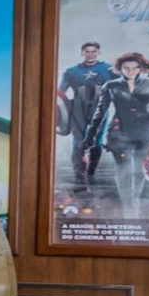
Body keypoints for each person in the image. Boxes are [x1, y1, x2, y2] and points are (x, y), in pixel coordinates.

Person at [83, 52, 149, 218]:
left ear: (140, 68)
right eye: (127, 68)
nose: (131, 71)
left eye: (134, 68)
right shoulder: (111, 86)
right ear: (120, 69)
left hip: (145, 131)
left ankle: (135, 201)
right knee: (123, 169)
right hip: (119, 132)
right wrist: (90, 136)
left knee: (140, 169)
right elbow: (100, 112)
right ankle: (128, 205)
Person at [57, 42, 115, 188]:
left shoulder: (108, 69)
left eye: (93, 51)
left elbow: (118, 87)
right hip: (78, 107)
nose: (90, 54)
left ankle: (91, 173)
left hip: (100, 106)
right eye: (87, 52)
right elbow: (60, 93)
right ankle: (79, 175)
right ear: (82, 53)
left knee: (97, 141)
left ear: (98, 52)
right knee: (78, 141)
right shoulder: (71, 71)